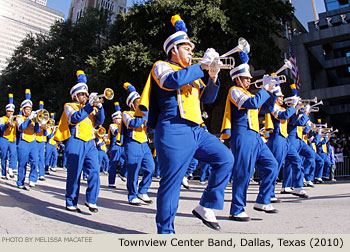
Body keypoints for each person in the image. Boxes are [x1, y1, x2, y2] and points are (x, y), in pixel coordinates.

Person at [135, 15, 234, 233]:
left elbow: (207, 99)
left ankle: (206, 205)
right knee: (171, 183)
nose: (191, 52)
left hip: (197, 130)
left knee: (225, 158)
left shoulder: (194, 74)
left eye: (192, 49)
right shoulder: (162, 66)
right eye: (187, 48)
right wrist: (202, 66)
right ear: (174, 50)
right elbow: (172, 82)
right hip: (173, 127)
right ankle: (166, 232)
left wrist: (214, 77)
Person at [221, 61, 279, 222]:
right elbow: (252, 104)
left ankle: (263, 200)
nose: (249, 80)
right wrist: (264, 89)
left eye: (249, 78)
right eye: (246, 78)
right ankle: (237, 209)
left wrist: (272, 92)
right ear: (237, 78)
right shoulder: (234, 91)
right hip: (242, 135)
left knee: (272, 165)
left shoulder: (249, 94)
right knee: (244, 172)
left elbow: (266, 109)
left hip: (255, 136)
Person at [54, 70, 105, 213]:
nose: (85, 96)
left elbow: (100, 121)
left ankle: (91, 199)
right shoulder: (69, 106)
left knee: (95, 171)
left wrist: (100, 108)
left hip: (90, 143)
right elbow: (75, 118)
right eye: (82, 94)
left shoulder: (90, 108)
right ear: (75, 95)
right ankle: (71, 200)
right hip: (75, 141)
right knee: (74, 173)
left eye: (86, 94)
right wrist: (89, 106)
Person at [263, 84, 303, 203]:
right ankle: (270, 193)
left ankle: (297, 186)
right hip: (276, 138)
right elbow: (283, 116)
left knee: (297, 160)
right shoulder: (273, 107)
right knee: (276, 166)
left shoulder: (282, 108)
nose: (282, 98)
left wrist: (296, 108)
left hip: (284, 139)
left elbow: (294, 121)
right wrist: (293, 106)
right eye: (280, 96)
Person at [118, 82, 155, 206]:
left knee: (150, 167)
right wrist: (145, 114)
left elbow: (149, 128)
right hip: (132, 143)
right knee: (133, 170)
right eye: (138, 102)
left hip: (144, 144)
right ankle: (132, 195)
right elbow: (133, 124)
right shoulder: (126, 114)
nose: (140, 103)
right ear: (132, 104)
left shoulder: (144, 115)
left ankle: (142, 191)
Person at [16, 89, 41, 189]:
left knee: (35, 161)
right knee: (22, 162)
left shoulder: (33, 119)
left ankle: (32, 179)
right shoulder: (19, 118)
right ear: (23, 110)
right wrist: (30, 118)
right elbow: (21, 127)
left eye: (30, 109)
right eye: (26, 109)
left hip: (33, 142)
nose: (28, 111)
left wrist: (37, 121)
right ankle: (20, 181)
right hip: (23, 142)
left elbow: (38, 131)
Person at [0, 94, 18, 179]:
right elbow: (1, 128)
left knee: (13, 154)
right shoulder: (2, 119)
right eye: (8, 111)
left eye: (11, 111)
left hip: (12, 139)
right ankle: (3, 172)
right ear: (6, 111)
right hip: (4, 138)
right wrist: (7, 124)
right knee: (4, 156)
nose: (10, 113)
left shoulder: (15, 118)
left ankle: (11, 168)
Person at [107, 102, 124, 187]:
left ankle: (123, 173)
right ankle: (111, 182)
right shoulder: (112, 125)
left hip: (123, 146)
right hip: (115, 146)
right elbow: (116, 132)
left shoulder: (122, 126)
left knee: (129, 160)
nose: (120, 120)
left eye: (121, 119)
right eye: (118, 119)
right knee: (114, 164)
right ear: (114, 119)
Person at [35, 101, 47, 181]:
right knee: (35, 158)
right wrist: (38, 124)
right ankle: (34, 174)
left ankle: (42, 174)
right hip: (35, 141)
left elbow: (45, 134)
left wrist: (44, 127)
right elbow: (37, 131)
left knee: (42, 158)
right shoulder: (35, 123)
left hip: (42, 141)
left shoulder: (44, 123)